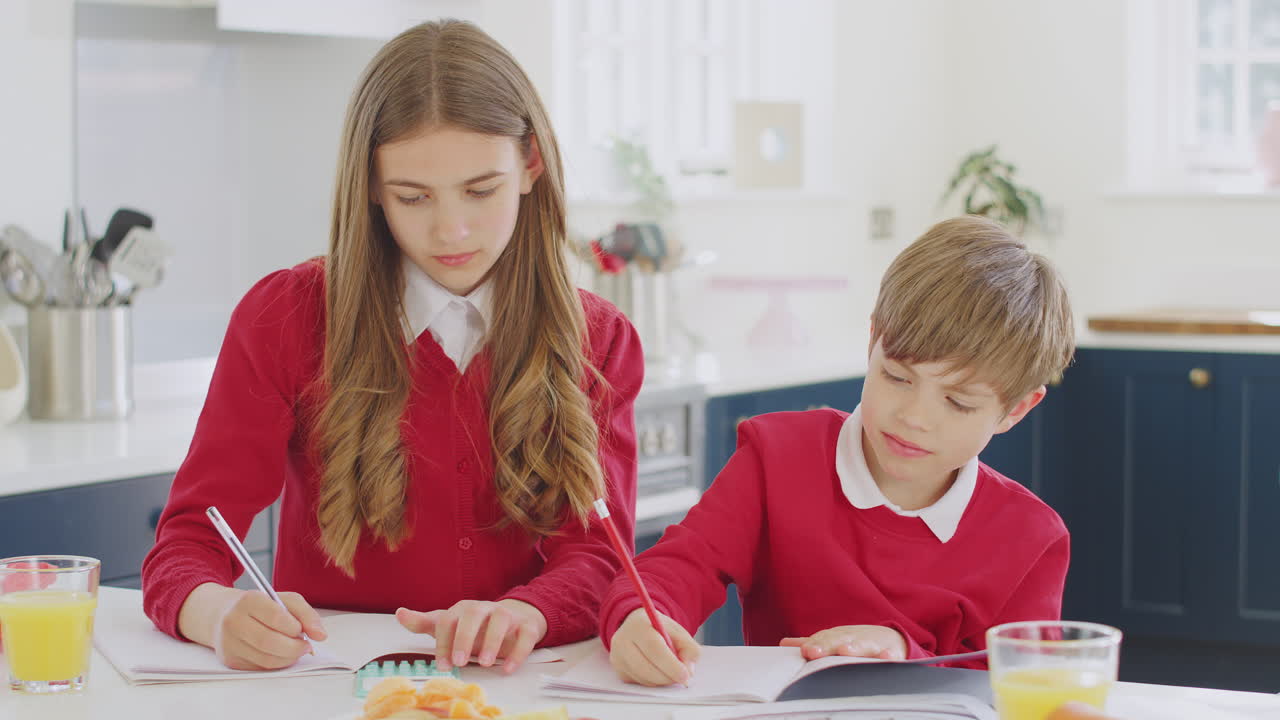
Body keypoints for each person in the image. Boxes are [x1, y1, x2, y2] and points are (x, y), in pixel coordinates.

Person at [141, 19, 643, 675]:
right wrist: (216, 615)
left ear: (530, 165)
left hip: (517, 691)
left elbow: (600, 557)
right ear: (372, 190)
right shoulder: (284, 318)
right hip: (328, 692)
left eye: (480, 191)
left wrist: (525, 614)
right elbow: (188, 542)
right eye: (413, 197)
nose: (451, 229)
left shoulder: (599, 340)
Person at [602, 215, 1074, 686]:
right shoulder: (777, 457)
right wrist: (642, 616)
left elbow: (1025, 686)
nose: (914, 416)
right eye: (897, 377)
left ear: (1016, 409)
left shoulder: (1031, 538)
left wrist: (903, 653)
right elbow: (682, 563)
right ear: (872, 341)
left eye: (957, 402)